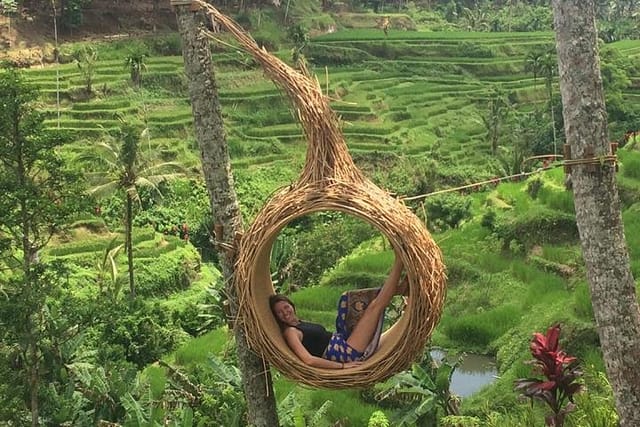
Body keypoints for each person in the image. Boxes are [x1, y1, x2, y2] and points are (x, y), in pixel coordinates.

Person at [269, 254, 404, 369]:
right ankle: (399, 261)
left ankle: (402, 289)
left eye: (286, 307)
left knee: (349, 297)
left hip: (342, 339)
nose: (285, 312)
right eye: (280, 312)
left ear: (292, 305)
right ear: (277, 318)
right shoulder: (290, 332)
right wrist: (342, 366)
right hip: (345, 352)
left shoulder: (300, 323)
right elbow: (308, 360)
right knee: (375, 307)